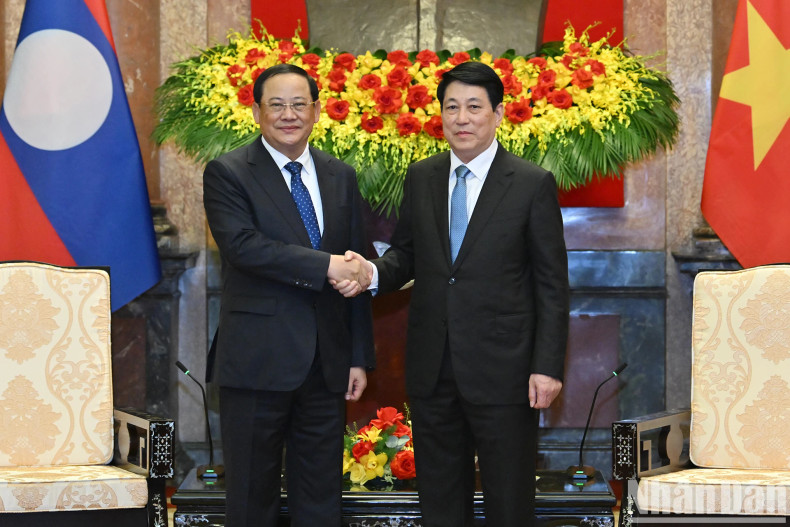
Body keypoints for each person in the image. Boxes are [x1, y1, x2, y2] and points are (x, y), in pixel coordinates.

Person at [336, 61, 569, 526]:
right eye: (451, 108)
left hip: (505, 368)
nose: (461, 118)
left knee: (508, 497)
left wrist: (546, 366)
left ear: (498, 114)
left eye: (474, 107)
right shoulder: (423, 176)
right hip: (432, 365)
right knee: (440, 498)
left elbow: (551, 284)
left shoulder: (530, 183)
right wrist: (370, 273)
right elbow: (405, 255)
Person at [203, 63, 375, 527]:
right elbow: (244, 248)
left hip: (326, 364)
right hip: (257, 361)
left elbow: (357, 265)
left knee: (321, 496)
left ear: (317, 111)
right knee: (250, 496)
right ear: (256, 110)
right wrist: (328, 265)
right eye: (276, 104)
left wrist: (357, 354)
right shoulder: (228, 172)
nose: (288, 114)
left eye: (299, 104)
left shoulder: (340, 175)